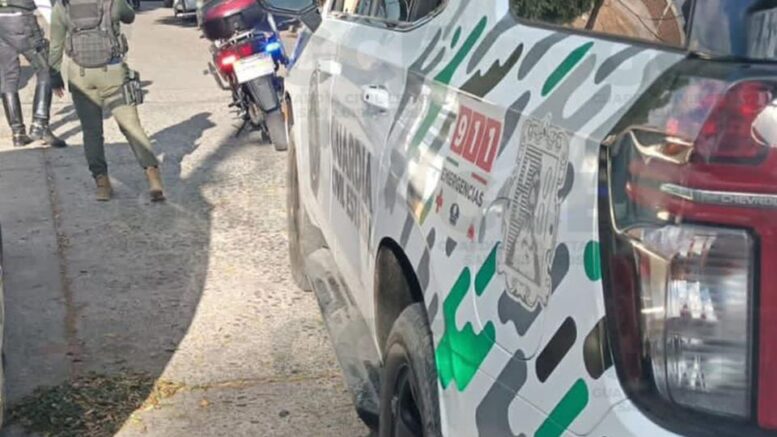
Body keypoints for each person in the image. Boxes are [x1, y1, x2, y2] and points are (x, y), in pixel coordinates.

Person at [49, 0, 165, 202]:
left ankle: (102, 185)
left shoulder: (63, 5)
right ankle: (153, 178)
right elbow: (129, 16)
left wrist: (54, 75)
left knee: (92, 132)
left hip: (80, 75)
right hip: (113, 73)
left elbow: (56, 44)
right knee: (131, 127)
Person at [0, 0, 67, 148]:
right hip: (22, 22)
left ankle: (18, 133)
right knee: (45, 69)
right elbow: (46, 8)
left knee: (7, 77)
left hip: (1, 24)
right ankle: (40, 126)